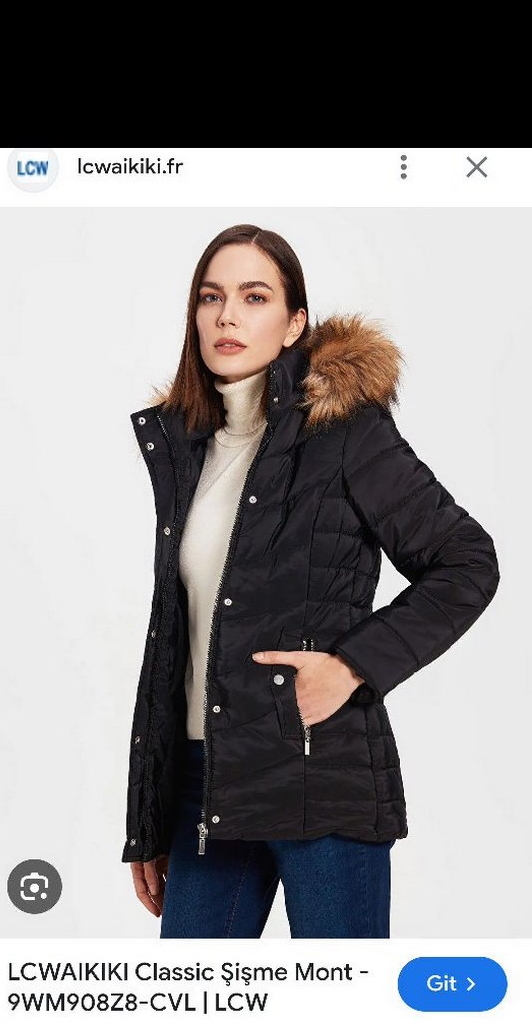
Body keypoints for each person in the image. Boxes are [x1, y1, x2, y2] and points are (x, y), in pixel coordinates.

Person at [124, 223, 500, 938]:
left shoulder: (344, 432)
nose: (227, 317)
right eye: (211, 297)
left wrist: (352, 666)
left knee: (343, 994)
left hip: (320, 779)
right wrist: (149, 816)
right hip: (206, 786)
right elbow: (177, 641)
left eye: (254, 297)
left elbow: (466, 561)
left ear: (294, 322)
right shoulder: (187, 449)